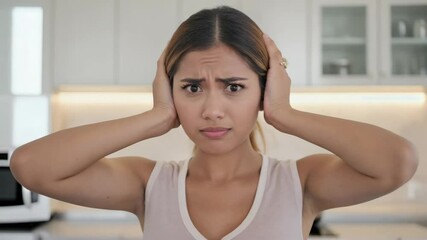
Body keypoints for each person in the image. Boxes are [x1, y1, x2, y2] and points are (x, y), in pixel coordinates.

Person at [11, 6, 418, 240]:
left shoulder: (301, 184)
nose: (212, 109)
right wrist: (155, 118)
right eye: (191, 87)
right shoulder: (148, 185)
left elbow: (398, 161)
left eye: (234, 87)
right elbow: (29, 166)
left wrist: (285, 114)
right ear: (170, 91)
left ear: (264, 89)